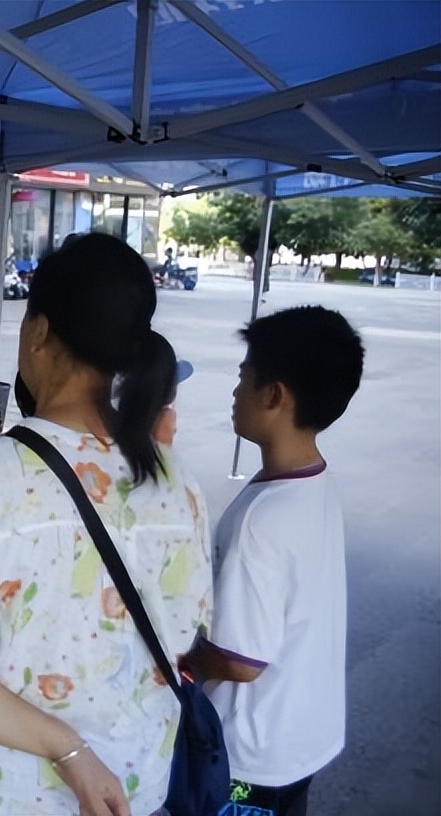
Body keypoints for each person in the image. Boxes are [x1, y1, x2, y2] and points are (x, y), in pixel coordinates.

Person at [0, 233, 212, 816]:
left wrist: (69, 749)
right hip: (132, 790)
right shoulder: (177, 481)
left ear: (38, 332)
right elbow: (185, 640)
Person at [180, 306, 364, 816]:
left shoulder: (266, 516)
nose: (235, 392)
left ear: (275, 394)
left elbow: (240, 660)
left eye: (244, 378)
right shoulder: (315, 481)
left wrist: (182, 658)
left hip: (248, 760)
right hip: (301, 740)